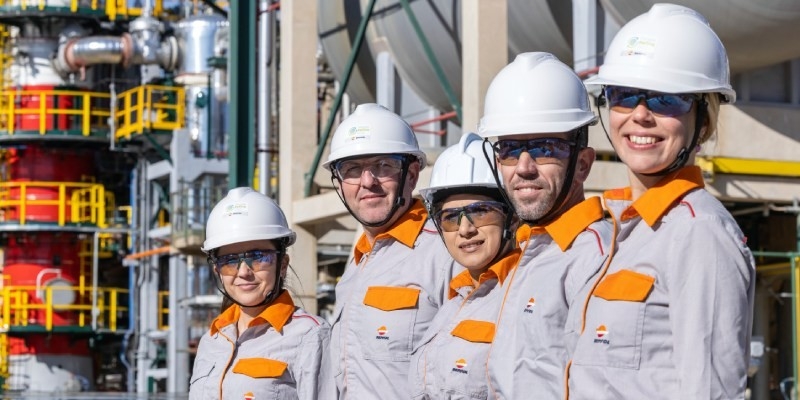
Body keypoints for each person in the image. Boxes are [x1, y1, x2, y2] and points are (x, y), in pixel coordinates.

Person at [567, 4, 756, 399]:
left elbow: (711, 391)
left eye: (665, 100)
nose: (639, 115)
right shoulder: (615, 232)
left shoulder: (699, 235)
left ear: (702, 122)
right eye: (624, 95)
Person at [476, 52, 614, 399]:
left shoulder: (599, 258)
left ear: (582, 164)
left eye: (543, 148)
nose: (523, 167)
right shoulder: (526, 255)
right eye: (509, 149)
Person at [322, 103, 458, 398]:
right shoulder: (356, 266)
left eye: (383, 166)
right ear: (339, 183)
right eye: (352, 170)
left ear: (411, 175)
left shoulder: (446, 252)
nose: (367, 182)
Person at [189, 187, 334, 400]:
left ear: (282, 264)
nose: (244, 272)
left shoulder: (310, 336)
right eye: (229, 261)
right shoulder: (211, 341)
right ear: (217, 270)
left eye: (258, 256)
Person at [409, 132, 519, 398]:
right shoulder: (452, 304)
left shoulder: (522, 295)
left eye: (480, 211)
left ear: (512, 217)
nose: (465, 229)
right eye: (450, 217)